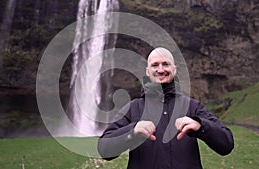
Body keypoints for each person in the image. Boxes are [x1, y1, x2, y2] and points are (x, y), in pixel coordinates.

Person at [97, 47, 234, 169]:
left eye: (166, 64)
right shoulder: (133, 108)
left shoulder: (192, 106)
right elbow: (104, 149)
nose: (161, 70)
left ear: (174, 69)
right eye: (155, 65)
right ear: (148, 71)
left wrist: (201, 126)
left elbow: (226, 144)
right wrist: (132, 132)